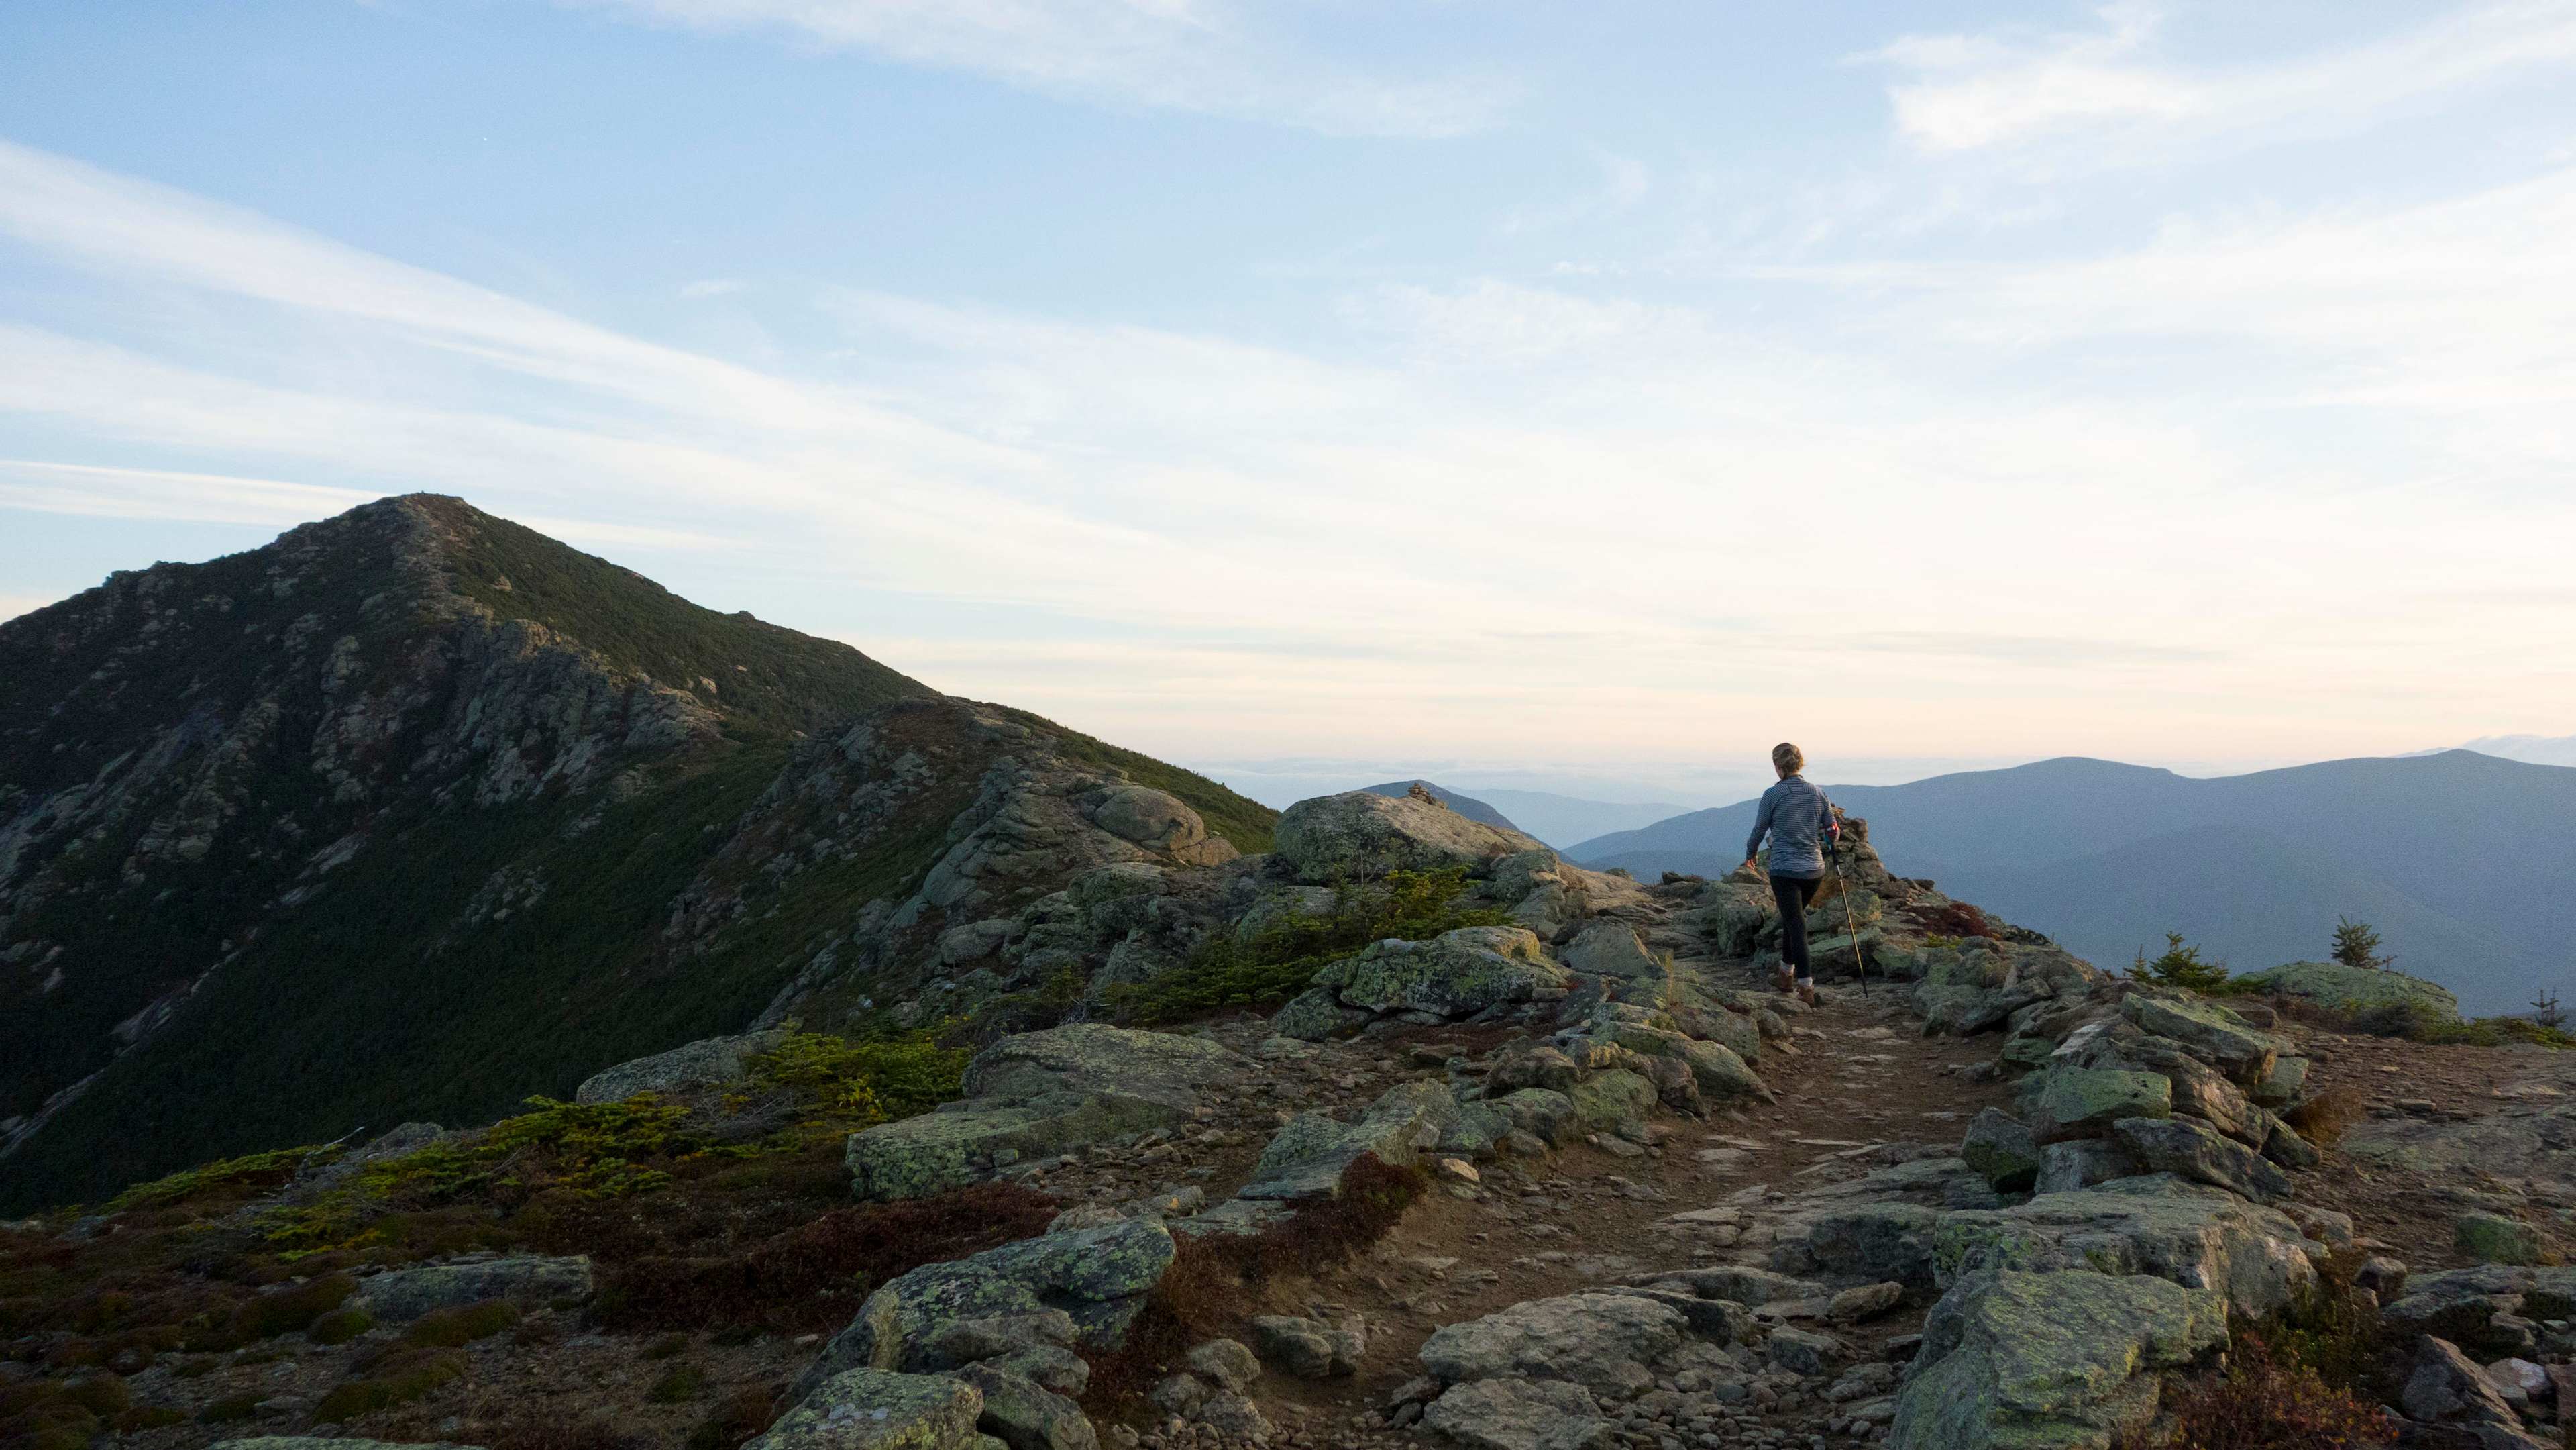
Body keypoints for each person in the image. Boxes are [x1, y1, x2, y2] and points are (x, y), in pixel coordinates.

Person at [1741, 741, 1839, 1006]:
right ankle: (1785, 974)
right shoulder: (1818, 793)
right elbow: (1832, 830)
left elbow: (1759, 829)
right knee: (1792, 918)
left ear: (1778, 766)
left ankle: (1805, 987)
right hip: (1814, 871)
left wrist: (1750, 852)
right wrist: (1831, 838)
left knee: (1796, 923)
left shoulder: (1773, 794)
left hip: (1785, 869)